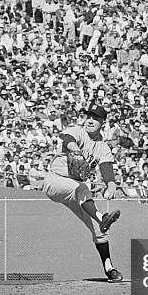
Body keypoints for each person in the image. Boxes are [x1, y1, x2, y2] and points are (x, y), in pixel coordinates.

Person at [43, 104, 123, 282]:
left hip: (76, 190)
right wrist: (75, 149)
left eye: (95, 118)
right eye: (89, 116)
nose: (91, 120)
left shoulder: (102, 147)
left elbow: (106, 166)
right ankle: (102, 218)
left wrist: (111, 184)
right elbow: (68, 139)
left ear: (102, 122)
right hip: (55, 181)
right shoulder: (78, 131)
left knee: (99, 231)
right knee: (82, 190)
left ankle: (110, 269)